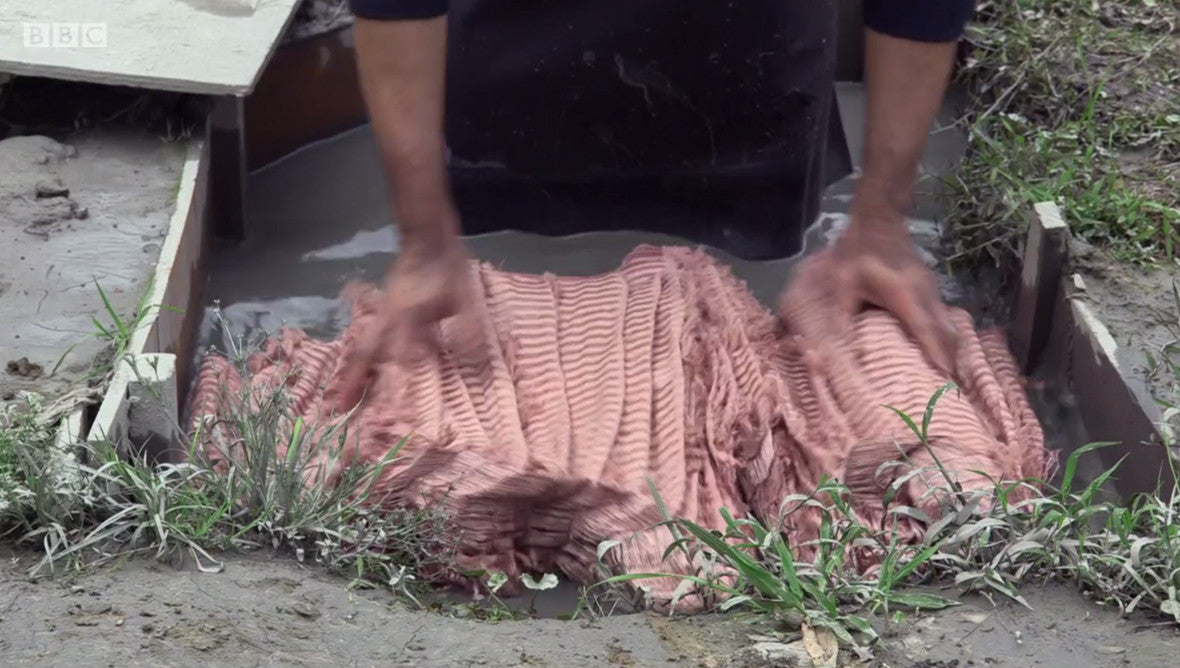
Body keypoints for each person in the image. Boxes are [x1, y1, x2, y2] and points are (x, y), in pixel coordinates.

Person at [338, 0, 973, 403]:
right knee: (493, 315)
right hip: (513, 84)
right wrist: (424, 239)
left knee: (759, 347)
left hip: (752, 80)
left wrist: (883, 222)